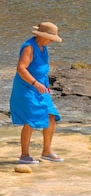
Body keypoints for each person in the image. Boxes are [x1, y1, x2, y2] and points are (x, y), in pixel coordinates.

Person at [10, 21, 64, 165]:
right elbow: (21, 68)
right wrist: (35, 83)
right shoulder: (29, 47)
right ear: (40, 35)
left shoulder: (43, 47)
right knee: (31, 120)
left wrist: (45, 86)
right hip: (26, 87)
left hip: (41, 88)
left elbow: (41, 70)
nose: (51, 41)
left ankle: (46, 152)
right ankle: (24, 155)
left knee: (51, 116)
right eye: (49, 38)